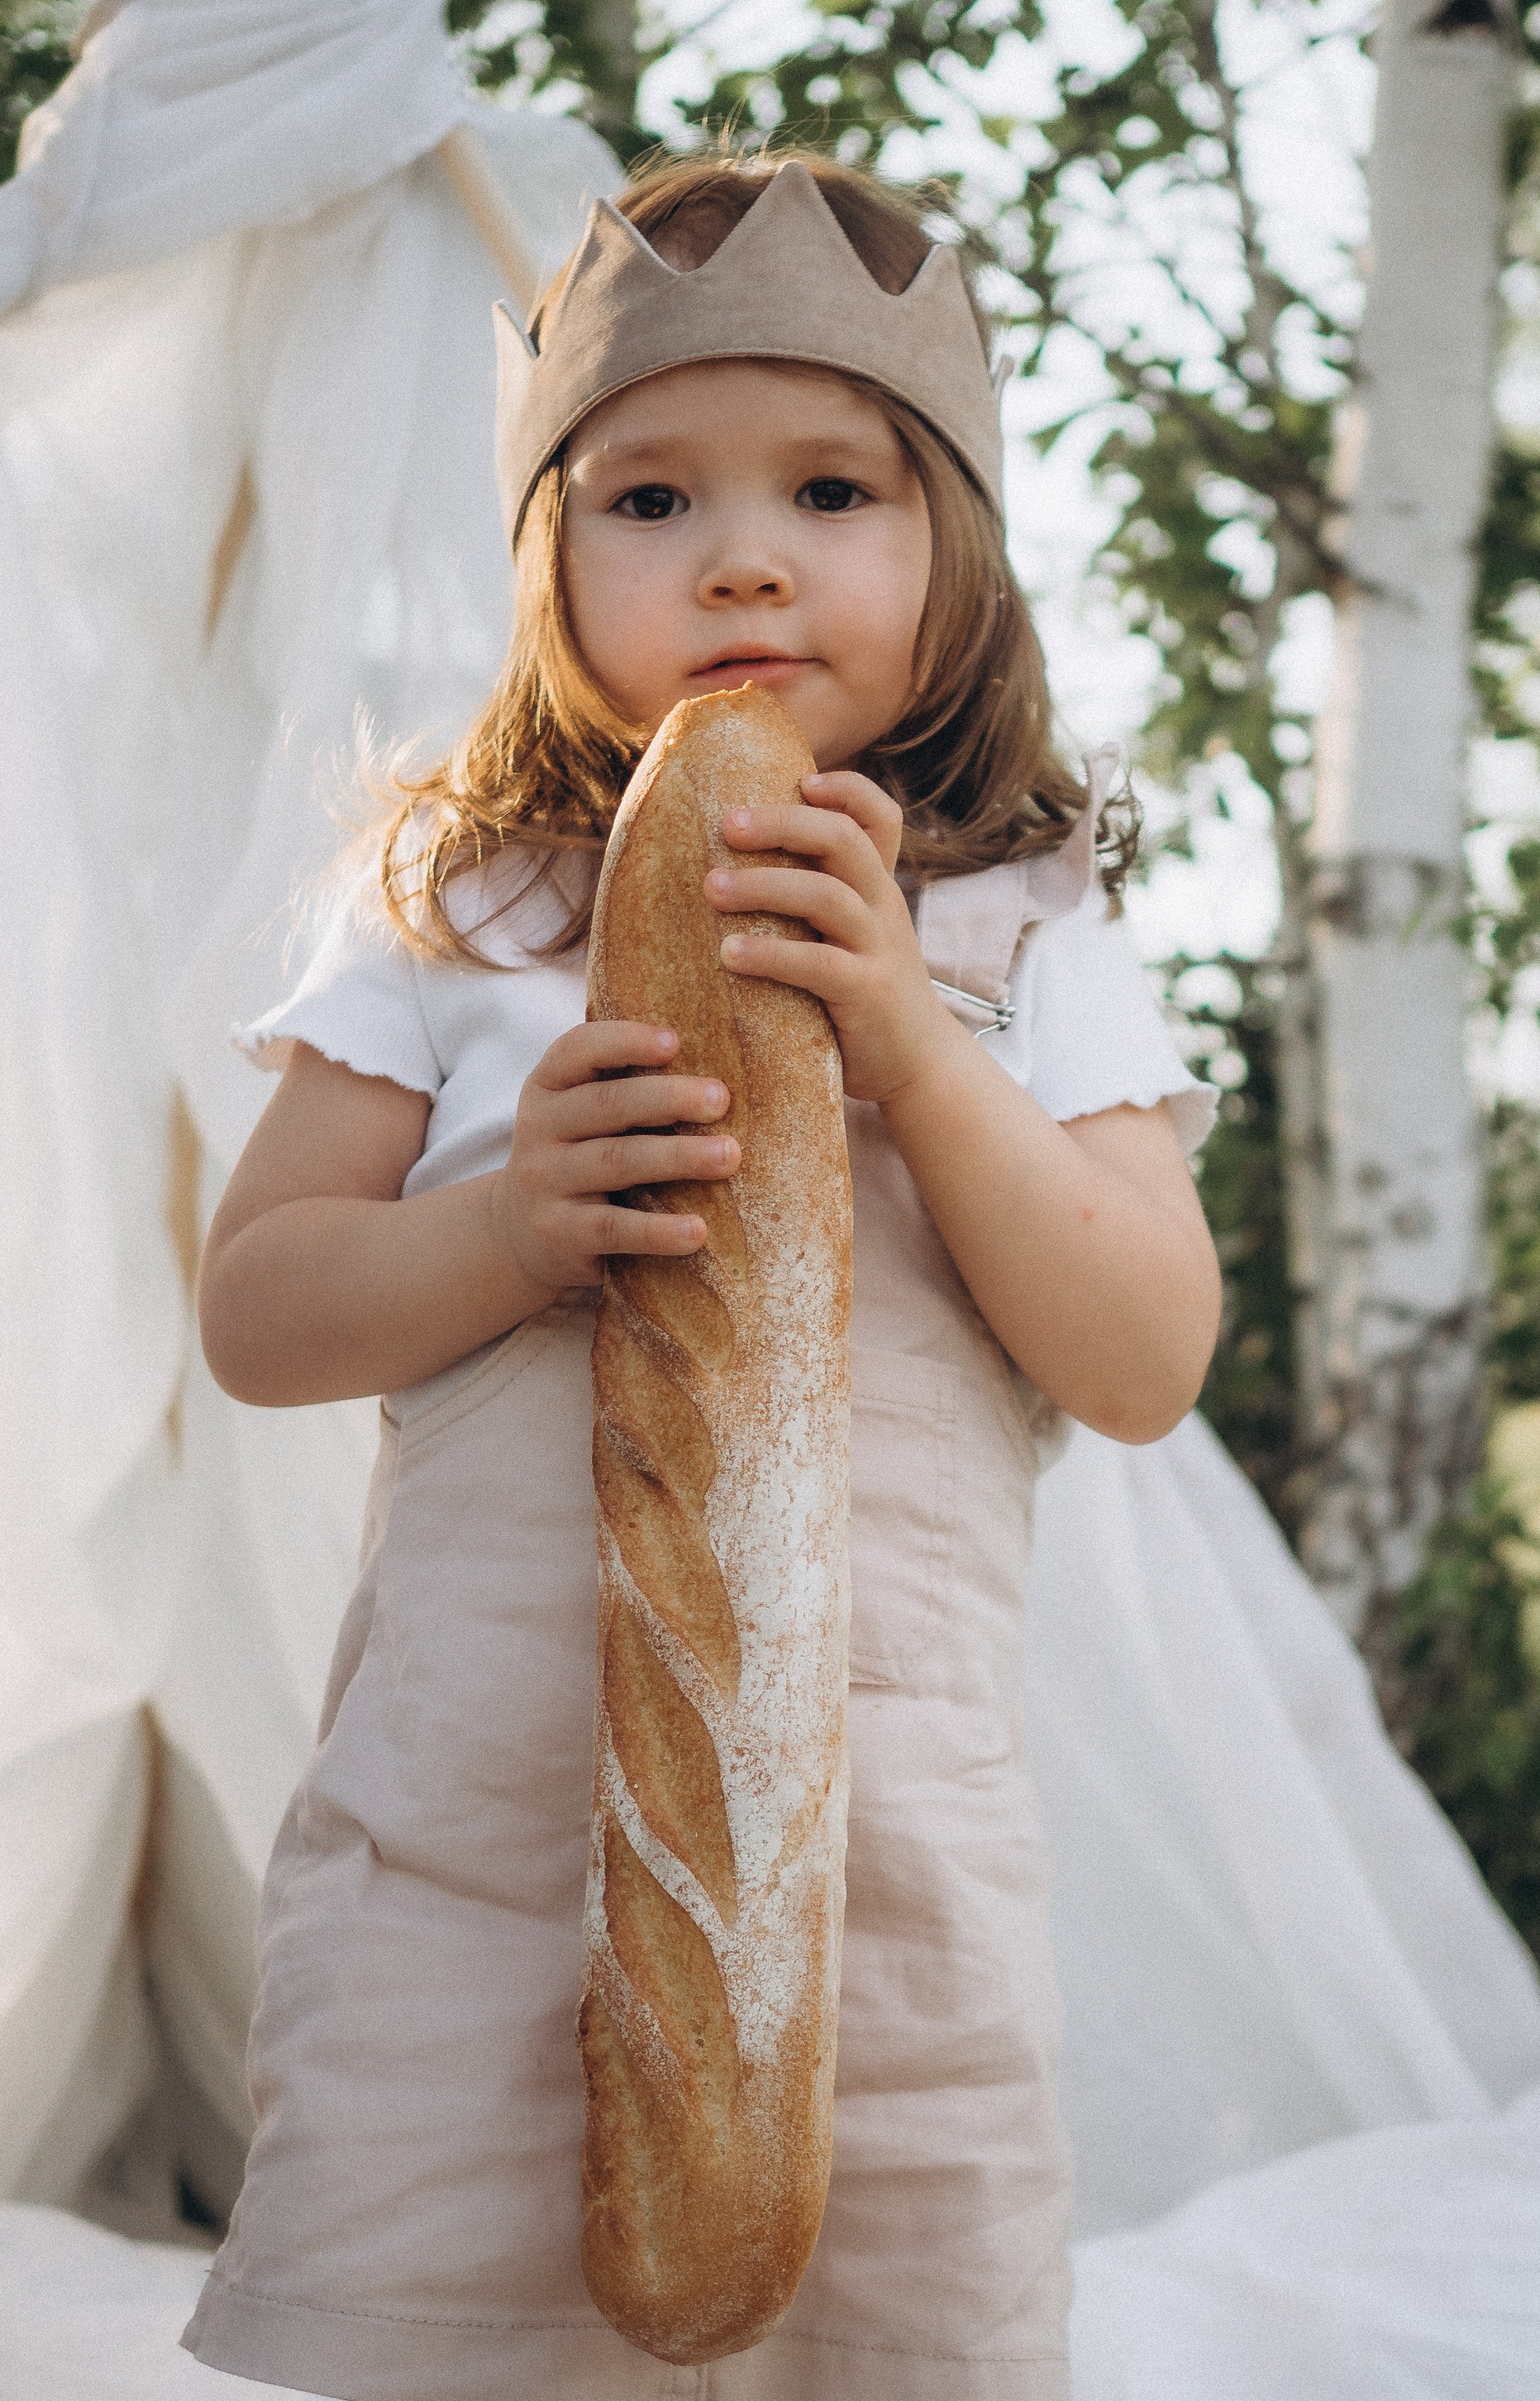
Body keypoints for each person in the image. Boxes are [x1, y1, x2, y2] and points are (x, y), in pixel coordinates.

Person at [177, 148, 1223, 2401]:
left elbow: (1144, 1355)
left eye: (832, 487)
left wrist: (920, 1056)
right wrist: (504, 1225)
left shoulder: (1029, 937)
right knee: (456, 2310)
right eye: (647, 501)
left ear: (958, 547)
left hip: (877, 1870)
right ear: (545, 555)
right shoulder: (465, 920)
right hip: (468, 1852)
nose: (742, 551)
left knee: (881, 2319)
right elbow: (260, 1309)